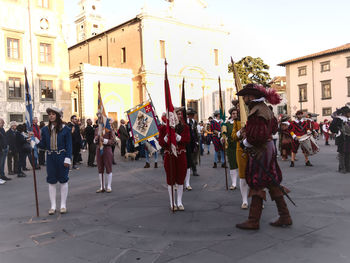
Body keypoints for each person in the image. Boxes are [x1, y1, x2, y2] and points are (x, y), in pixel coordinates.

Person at [235, 83, 292, 230]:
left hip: (261, 149)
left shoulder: (257, 111)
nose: (244, 98)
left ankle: (253, 220)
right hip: (268, 147)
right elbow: (272, 128)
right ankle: (285, 216)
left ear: (252, 96)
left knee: (257, 181)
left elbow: (258, 134)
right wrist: (246, 131)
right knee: (271, 180)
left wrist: (246, 142)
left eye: (246, 96)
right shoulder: (265, 109)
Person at [35, 107, 72, 215]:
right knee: (51, 181)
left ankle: (63, 205)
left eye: (53, 114)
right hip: (50, 157)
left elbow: (69, 145)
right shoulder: (45, 130)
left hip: (62, 156)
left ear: (58, 116)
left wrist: (68, 158)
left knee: (63, 180)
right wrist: (35, 140)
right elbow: (43, 145)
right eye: (49, 114)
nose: (51, 116)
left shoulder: (66, 129)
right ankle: (53, 206)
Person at [158, 108, 190, 211]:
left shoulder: (184, 127)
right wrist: (167, 137)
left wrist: (178, 137)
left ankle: (179, 202)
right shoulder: (164, 128)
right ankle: (172, 203)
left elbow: (187, 139)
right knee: (170, 178)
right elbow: (161, 143)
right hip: (170, 155)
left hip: (181, 155)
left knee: (181, 178)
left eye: (180, 114)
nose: (179, 116)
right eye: (177, 114)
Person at [94, 118, 115, 193]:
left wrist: (104, 140)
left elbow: (112, 141)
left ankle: (109, 186)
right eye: (99, 119)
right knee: (100, 168)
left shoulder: (109, 129)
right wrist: (95, 139)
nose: (100, 120)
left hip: (107, 149)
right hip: (99, 149)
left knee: (108, 167)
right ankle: (102, 186)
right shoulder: (96, 129)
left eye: (101, 119)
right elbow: (94, 140)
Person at [329, 106, 350, 173]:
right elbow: (331, 127)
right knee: (342, 153)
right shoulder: (338, 119)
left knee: (348, 153)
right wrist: (338, 131)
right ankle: (341, 168)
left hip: (348, 137)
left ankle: (348, 168)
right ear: (345, 113)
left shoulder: (348, 119)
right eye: (349, 112)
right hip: (341, 138)